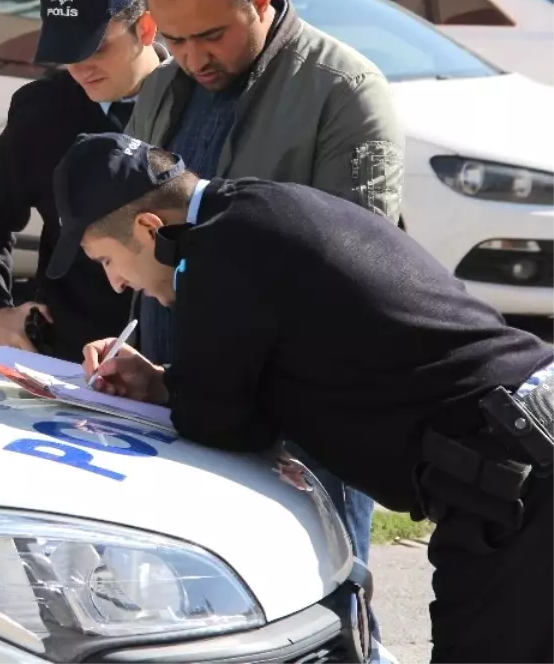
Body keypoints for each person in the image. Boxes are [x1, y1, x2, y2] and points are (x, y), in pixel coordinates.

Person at [50, 131, 554, 664]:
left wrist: (176, 391)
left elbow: (218, 422)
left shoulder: (220, 253)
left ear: (148, 227)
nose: (115, 284)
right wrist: (160, 382)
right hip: (526, 430)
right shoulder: (255, 212)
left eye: (106, 260)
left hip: (516, 468)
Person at [121, 0, 404, 599]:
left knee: (319, 603)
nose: (193, 58)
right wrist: (134, 346)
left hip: (307, 423)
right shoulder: (162, 91)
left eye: (212, 35)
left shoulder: (343, 92)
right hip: (183, 404)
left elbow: (350, 275)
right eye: (175, 40)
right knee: (197, 606)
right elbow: (131, 227)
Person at [0, 0, 169, 361]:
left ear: (145, 29)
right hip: (67, 363)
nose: (81, 67)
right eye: (65, 52)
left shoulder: (199, 101)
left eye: (95, 47)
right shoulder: (44, 111)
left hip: (176, 367)